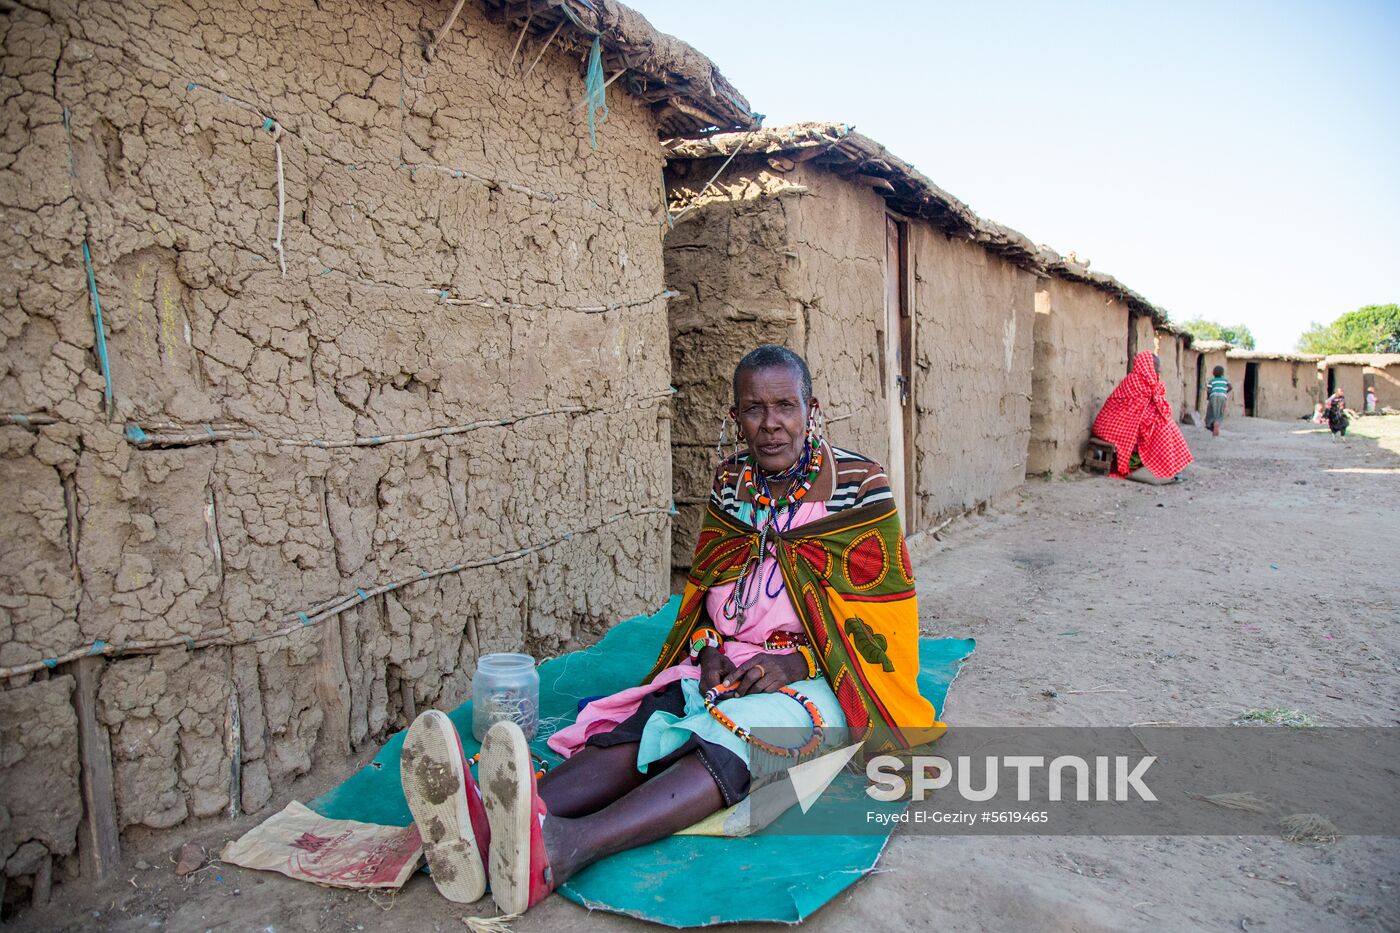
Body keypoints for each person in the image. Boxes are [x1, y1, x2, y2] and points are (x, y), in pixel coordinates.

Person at [399, 345, 940, 914]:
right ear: (735, 417)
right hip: (730, 659)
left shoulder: (860, 482)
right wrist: (708, 653)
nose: (771, 424)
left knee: (733, 738)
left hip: (828, 674)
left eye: (785, 405)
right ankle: (496, 819)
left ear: (812, 408)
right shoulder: (733, 481)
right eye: (754, 409)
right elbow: (710, 590)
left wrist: (795, 664)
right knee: (654, 719)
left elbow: (886, 618)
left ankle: (567, 846)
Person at [1092, 351, 1194, 484]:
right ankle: (1160, 467)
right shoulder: (1135, 380)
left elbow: (1151, 406)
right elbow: (1134, 411)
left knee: (1166, 425)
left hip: (1131, 423)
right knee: (1160, 429)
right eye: (1155, 365)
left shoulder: (1149, 381)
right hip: (1114, 427)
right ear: (1147, 365)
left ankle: (1168, 467)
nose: (1159, 368)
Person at [1204, 365, 1231, 437]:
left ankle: (1210, 424)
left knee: (1211, 411)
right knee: (1220, 412)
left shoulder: (1211, 381)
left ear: (1213, 373)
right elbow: (1230, 387)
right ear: (1222, 373)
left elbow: (1209, 390)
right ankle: (1217, 423)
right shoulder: (1225, 380)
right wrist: (1225, 392)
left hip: (1213, 396)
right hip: (1222, 397)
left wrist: (1208, 397)